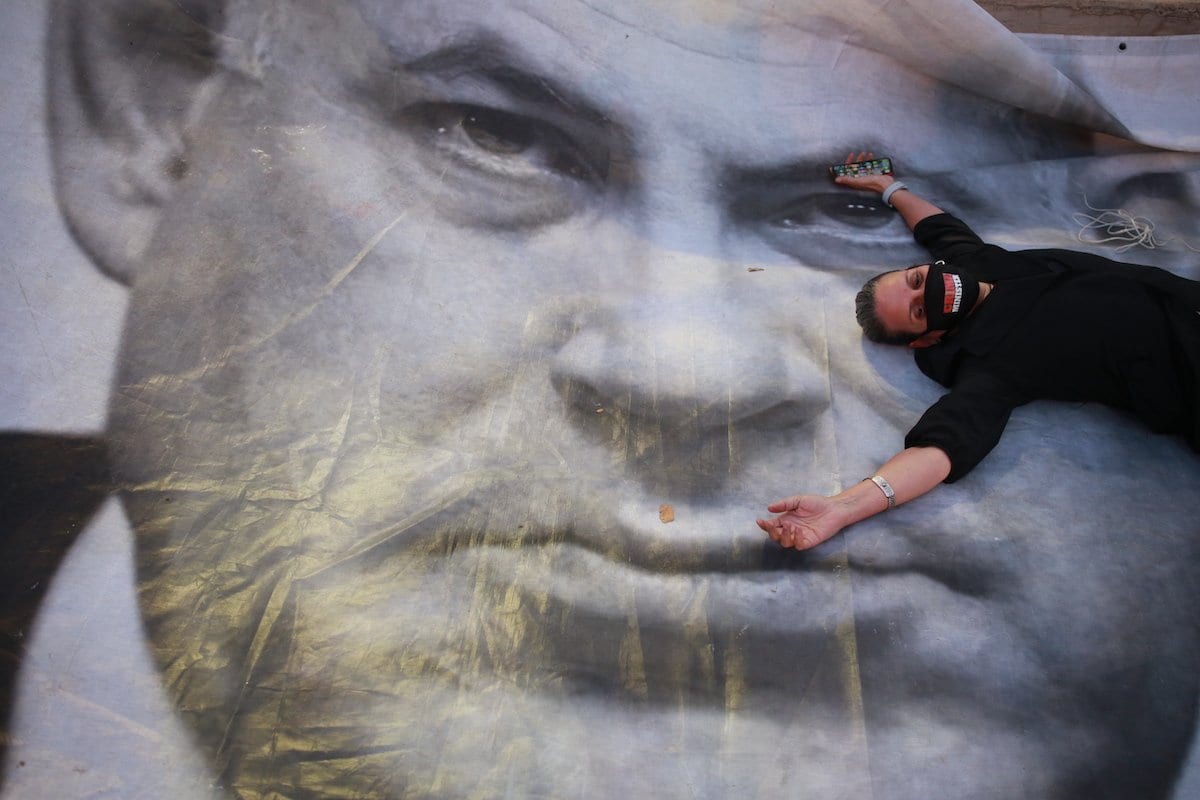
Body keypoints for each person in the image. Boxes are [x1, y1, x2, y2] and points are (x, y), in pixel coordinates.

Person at [7, 1, 1200, 798]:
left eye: (832, 223)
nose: (689, 369)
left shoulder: (1000, 341)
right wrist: (878, 185)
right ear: (149, 103)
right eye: (493, 133)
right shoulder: (977, 302)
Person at [757, 155, 1200, 552]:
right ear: (925, 340)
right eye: (918, 310)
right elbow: (942, 445)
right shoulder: (991, 365)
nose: (927, 291)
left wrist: (888, 187)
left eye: (915, 280)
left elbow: (937, 228)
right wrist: (842, 508)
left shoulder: (975, 263)